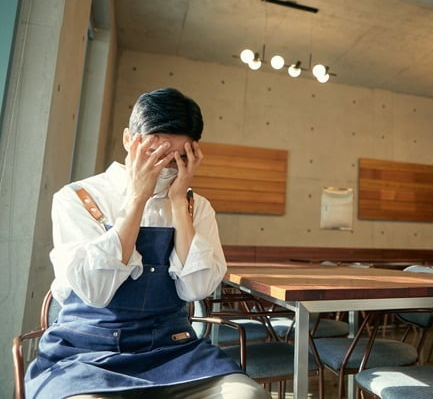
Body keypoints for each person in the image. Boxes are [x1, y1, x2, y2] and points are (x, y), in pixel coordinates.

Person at [25, 88, 269, 398]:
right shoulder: (77, 198)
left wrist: (179, 201)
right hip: (86, 354)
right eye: (157, 153)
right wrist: (138, 198)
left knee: (248, 395)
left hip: (174, 349)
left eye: (179, 157)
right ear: (129, 140)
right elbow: (95, 291)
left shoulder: (199, 207)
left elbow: (195, 290)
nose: (166, 167)